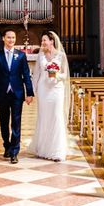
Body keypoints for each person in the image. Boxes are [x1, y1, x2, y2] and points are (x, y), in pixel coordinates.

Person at [0, 29, 34, 164]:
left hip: (17, 93)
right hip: (1, 93)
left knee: (16, 122)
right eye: (9, 37)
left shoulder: (21, 56)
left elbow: (26, 75)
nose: (11, 40)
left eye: (13, 38)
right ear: (3, 39)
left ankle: (14, 151)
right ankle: (6, 145)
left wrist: (29, 93)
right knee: (3, 121)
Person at [28, 31, 69, 162]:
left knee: (57, 116)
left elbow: (65, 75)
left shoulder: (61, 55)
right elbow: (36, 75)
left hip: (56, 89)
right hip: (43, 90)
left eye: (45, 40)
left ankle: (57, 150)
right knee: (43, 117)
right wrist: (31, 91)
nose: (43, 43)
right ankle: (43, 149)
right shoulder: (40, 56)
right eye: (42, 41)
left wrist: (56, 75)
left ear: (52, 41)